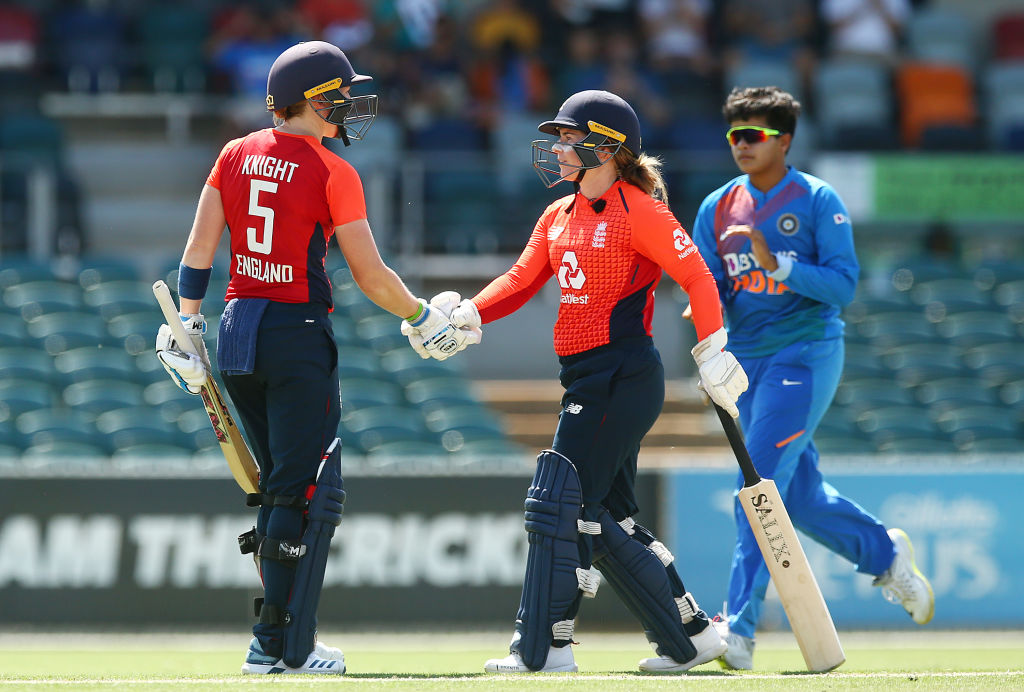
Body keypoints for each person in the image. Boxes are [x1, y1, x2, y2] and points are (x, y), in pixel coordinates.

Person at [154, 40, 477, 675]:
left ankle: (278, 637)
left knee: (278, 489)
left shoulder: (234, 153)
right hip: (296, 329)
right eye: (341, 94)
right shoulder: (334, 171)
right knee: (303, 490)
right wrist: (419, 314)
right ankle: (277, 644)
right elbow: (370, 275)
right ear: (316, 99)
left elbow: (197, 251)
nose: (350, 106)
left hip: (237, 326)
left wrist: (186, 325)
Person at [413, 89, 748, 673]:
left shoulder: (639, 208)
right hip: (587, 378)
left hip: (623, 374)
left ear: (609, 149)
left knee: (557, 501)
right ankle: (691, 637)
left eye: (572, 138)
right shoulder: (557, 214)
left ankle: (544, 649)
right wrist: (469, 315)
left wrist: (713, 347)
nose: (560, 148)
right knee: (604, 517)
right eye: (561, 137)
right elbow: (519, 282)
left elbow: (697, 277)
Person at [687, 86, 935, 670]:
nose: (741, 145)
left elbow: (844, 285)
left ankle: (739, 630)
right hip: (745, 366)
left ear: (786, 140)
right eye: (733, 135)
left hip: (805, 353)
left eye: (755, 135)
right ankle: (883, 553)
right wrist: (708, 308)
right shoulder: (716, 208)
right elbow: (708, 286)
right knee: (795, 496)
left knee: (759, 487)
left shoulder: (819, 200)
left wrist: (783, 267)